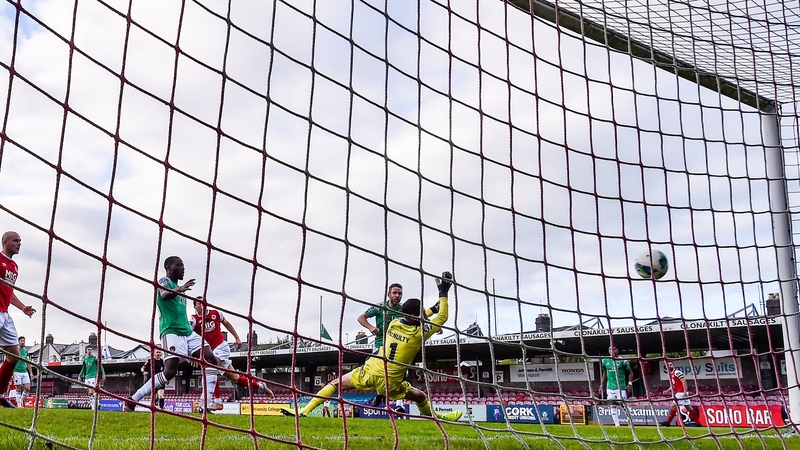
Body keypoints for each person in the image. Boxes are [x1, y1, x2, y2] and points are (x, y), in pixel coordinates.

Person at [282, 271, 462, 423]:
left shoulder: (393, 324)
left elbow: (407, 315)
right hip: (390, 383)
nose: (424, 317)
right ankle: (438, 418)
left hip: (372, 369)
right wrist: (443, 292)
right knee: (420, 396)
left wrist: (429, 310)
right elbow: (443, 317)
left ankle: (304, 411)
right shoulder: (418, 334)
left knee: (335, 383)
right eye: (421, 314)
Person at [124, 256, 221, 413]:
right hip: (171, 332)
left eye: (183, 265)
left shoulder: (180, 291)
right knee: (170, 372)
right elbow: (164, 295)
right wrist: (180, 289)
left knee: (211, 358)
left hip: (187, 333)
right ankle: (134, 399)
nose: (183, 268)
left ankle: (206, 405)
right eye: (179, 265)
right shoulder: (164, 281)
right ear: (169, 267)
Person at [190, 297, 273, 410]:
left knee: (210, 368)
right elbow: (188, 335)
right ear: (195, 306)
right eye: (199, 303)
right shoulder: (193, 320)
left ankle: (208, 404)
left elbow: (227, 324)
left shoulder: (216, 313)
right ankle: (261, 385)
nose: (202, 304)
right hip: (209, 351)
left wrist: (237, 337)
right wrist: (192, 354)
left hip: (221, 347)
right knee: (236, 378)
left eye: (203, 302)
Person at [0, 231, 36, 408]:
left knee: (14, 356)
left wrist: (23, 308)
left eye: (20, 241)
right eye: (16, 241)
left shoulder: (14, 266)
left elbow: (9, 291)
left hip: (5, 314)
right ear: (5, 242)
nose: (19, 243)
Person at [598, 345, 632, 427]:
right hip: (610, 387)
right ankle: (617, 424)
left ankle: (630, 419)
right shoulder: (605, 361)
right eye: (610, 349)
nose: (612, 350)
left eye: (614, 349)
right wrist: (602, 384)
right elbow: (605, 373)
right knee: (612, 404)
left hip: (621, 387)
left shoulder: (623, 361)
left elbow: (630, 372)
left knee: (623, 404)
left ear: (618, 350)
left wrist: (629, 384)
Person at [660, 359, 699, 427]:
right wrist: (667, 391)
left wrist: (684, 391)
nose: (669, 366)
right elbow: (674, 385)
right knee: (689, 407)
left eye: (671, 365)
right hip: (680, 392)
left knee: (673, 406)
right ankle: (698, 423)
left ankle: (668, 422)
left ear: (673, 365)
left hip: (681, 393)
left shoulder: (677, 372)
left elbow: (683, 381)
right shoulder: (671, 374)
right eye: (668, 365)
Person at [12, 336, 32, 407]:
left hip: (24, 371)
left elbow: (28, 362)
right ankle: (19, 405)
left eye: (24, 341)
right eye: (21, 341)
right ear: (19, 342)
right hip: (17, 371)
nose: (23, 342)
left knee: (27, 388)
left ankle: (21, 400)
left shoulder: (26, 351)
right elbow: (12, 361)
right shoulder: (15, 350)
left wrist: (31, 373)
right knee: (18, 388)